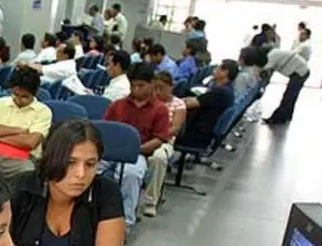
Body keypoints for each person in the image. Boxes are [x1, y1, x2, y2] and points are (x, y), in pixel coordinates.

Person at [100, 63, 170, 225]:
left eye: (141, 85)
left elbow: (159, 138)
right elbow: (104, 129)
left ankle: (125, 223)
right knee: (84, 169)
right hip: (110, 152)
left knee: (130, 175)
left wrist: (134, 150)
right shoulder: (118, 105)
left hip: (137, 154)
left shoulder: (160, 110)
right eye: (133, 85)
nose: (136, 89)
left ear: (152, 84)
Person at [0, 67, 52, 179]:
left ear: (35, 93)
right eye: (15, 94)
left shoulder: (43, 111)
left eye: (24, 97)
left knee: (26, 173)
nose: (18, 99)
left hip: (22, 159)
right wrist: (18, 131)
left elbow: (30, 142)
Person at [179, 59, 236, 146]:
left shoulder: (220, 92)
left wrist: (175, 101)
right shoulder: (228, 90)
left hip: (196, 136)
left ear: (225, 72)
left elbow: (190, 104)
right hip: (203, 134)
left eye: (218, 68)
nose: (214, 70)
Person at [153, 70, 187, 143]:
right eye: (155, 88)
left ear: (171, 86)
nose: (158, 92)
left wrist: (157, 136)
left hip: (165, 139)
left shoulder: (179, 104)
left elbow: (175, 128)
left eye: (161, 88)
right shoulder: (150, 101)